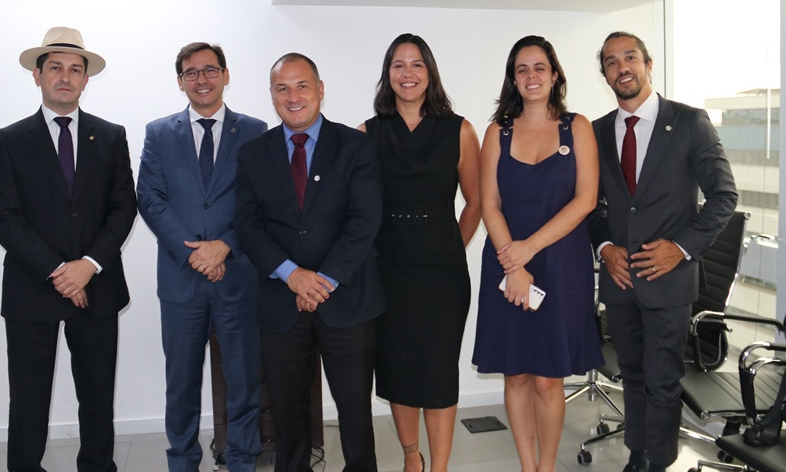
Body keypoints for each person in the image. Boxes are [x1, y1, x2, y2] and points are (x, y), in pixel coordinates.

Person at [0, 26, 137, 472]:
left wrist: (88, 265)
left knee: (97, 395)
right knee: (28, 397)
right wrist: (59, 270)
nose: (65, 77)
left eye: (75, 69)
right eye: (55, 68)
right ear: (38, 75)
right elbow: (3, 216)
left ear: (86, 80)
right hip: (31, 290)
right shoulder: (9, 139)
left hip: (98, 287)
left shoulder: (111, 136)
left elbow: (123, 207)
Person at [588, 31, 737, 472]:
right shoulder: (597, 132)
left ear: (648, 64)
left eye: (630, 57)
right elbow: (590, 204)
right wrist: (605, 247)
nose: (622, 68)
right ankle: (636, 456)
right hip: (620, 279)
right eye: (611, 62)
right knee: (632, 375)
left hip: (668, 280)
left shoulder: (689, 123)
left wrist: (681, 247)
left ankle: (658, 463)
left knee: (663, 380)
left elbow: (724, 196)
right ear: (605, 75)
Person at [234, 53, 385, 472]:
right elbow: (248, 225)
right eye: (282, 88)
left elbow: (364, 221)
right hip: (281, 303)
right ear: (272, 96)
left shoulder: (356, 146)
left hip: (348, 301)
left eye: (302, 86)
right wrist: (293, 276)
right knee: (288, 416)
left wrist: (323, 280)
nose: (293, 96)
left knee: (355, 413)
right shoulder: (253, 154)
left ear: (320, 90)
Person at [472, 35, 604, 472]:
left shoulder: (577, 127)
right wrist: (514, 263)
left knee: (548, 378)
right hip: (506, 262)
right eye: (522, 69)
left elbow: (585, 200)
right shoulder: (498, 131)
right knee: (516, 373)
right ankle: (528, 466)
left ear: (555, 75)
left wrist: (527, 251)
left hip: (561, 265)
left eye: (539, 67)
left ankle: (546, 467)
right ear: (513, 79)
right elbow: (488, 203)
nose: (531, 76)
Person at [136, 42, 267, 472]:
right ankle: (183, 462)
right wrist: (191, 252)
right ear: (180, 82)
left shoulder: (255, 130)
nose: (201, 79)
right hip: (181, 279)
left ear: (226, 76)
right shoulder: (159, 132)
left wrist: (225, 244)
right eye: (191, 72)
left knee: (244, 382)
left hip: (238, 277)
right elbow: (149, 197)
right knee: (181, 385)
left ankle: (242, 460)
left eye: (210, 70)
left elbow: (261, 201)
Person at [359, 33, 480, 472]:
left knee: (439, 372)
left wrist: (449, 247)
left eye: (416, 64)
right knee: (398, 370)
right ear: (387, 74)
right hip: (387, 273)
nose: (407, 73)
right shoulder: (368, 133)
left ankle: (440, 467)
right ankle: (412, 457)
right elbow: (356, 208)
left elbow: (476, 202)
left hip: (443, 276)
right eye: (398, 65)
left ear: (430, 72)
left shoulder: (459, 130)